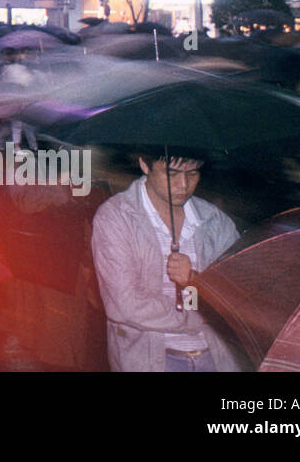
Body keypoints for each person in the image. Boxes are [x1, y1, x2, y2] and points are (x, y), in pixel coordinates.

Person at [90, 151, 242, 372]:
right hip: (150, 360)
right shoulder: (117, 217)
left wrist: (194, 280)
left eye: (192, 173)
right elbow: (125, 304)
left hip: (216, 358)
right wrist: (196, 317)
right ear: (144, 164)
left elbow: (239, 290)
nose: (183, 184)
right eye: (172, 173)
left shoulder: (213, 221)